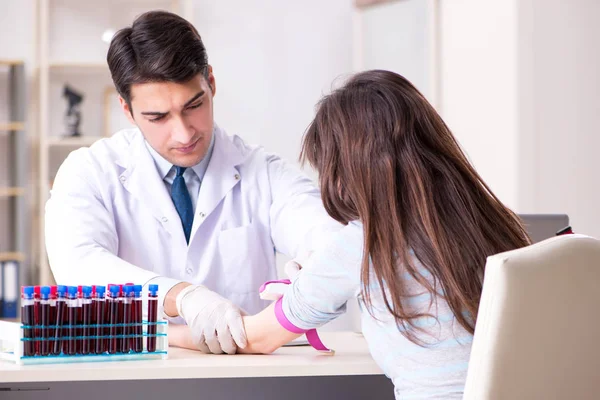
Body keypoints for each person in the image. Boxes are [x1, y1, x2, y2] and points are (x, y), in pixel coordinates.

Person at [170, 70, 531, 398]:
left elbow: (254, 337)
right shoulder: (490, 220)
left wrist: (165, 334)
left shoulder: (362, 243)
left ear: (347, 169)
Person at [44, 10, 340, 355]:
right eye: (157, 117)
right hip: (131, 380)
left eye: (194, 105)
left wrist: (318, 262)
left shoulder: (264, 172)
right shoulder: (90, 171)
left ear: (210, 83)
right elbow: (78, 266)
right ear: (127, 109)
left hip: (243, 382)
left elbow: (323, 231)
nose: (183, 133)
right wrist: (181, 296)